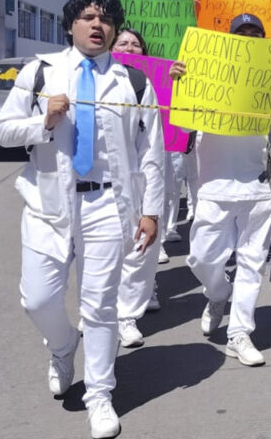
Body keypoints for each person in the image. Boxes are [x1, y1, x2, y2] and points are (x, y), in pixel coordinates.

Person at [0, 0, 164, 439]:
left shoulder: (134, 82)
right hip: (48, 205)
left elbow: (151, 153)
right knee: (38, 299)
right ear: (70, 25)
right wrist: (44, 121)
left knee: (100, 307)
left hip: (108, 205)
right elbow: (3, 130)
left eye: (106, 18)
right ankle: (64, 346)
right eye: (88, 16)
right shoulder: (41, 71)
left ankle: (100, 395)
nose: (97, 24)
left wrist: (152, 210)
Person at [167, 12, 271, 367]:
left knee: (251, 264)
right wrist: (177, 82)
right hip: (215, 185)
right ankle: (218, 294)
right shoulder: (205, 74)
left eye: (256, 33)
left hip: (259, 186)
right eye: (243, 33)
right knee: (201, 258)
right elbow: (180, 117)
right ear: (231, 39)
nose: (249, 38)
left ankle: (240, 332)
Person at [110, 28, 164, 346]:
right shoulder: (77, 79)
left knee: (135, 248)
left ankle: (125, 316)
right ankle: (100, 312)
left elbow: (151, 147)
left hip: (134, 180)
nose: (129, 48)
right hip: (91, 186)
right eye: (123, 43)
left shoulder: (142, 84)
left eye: (135, 44)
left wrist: (152, 209)